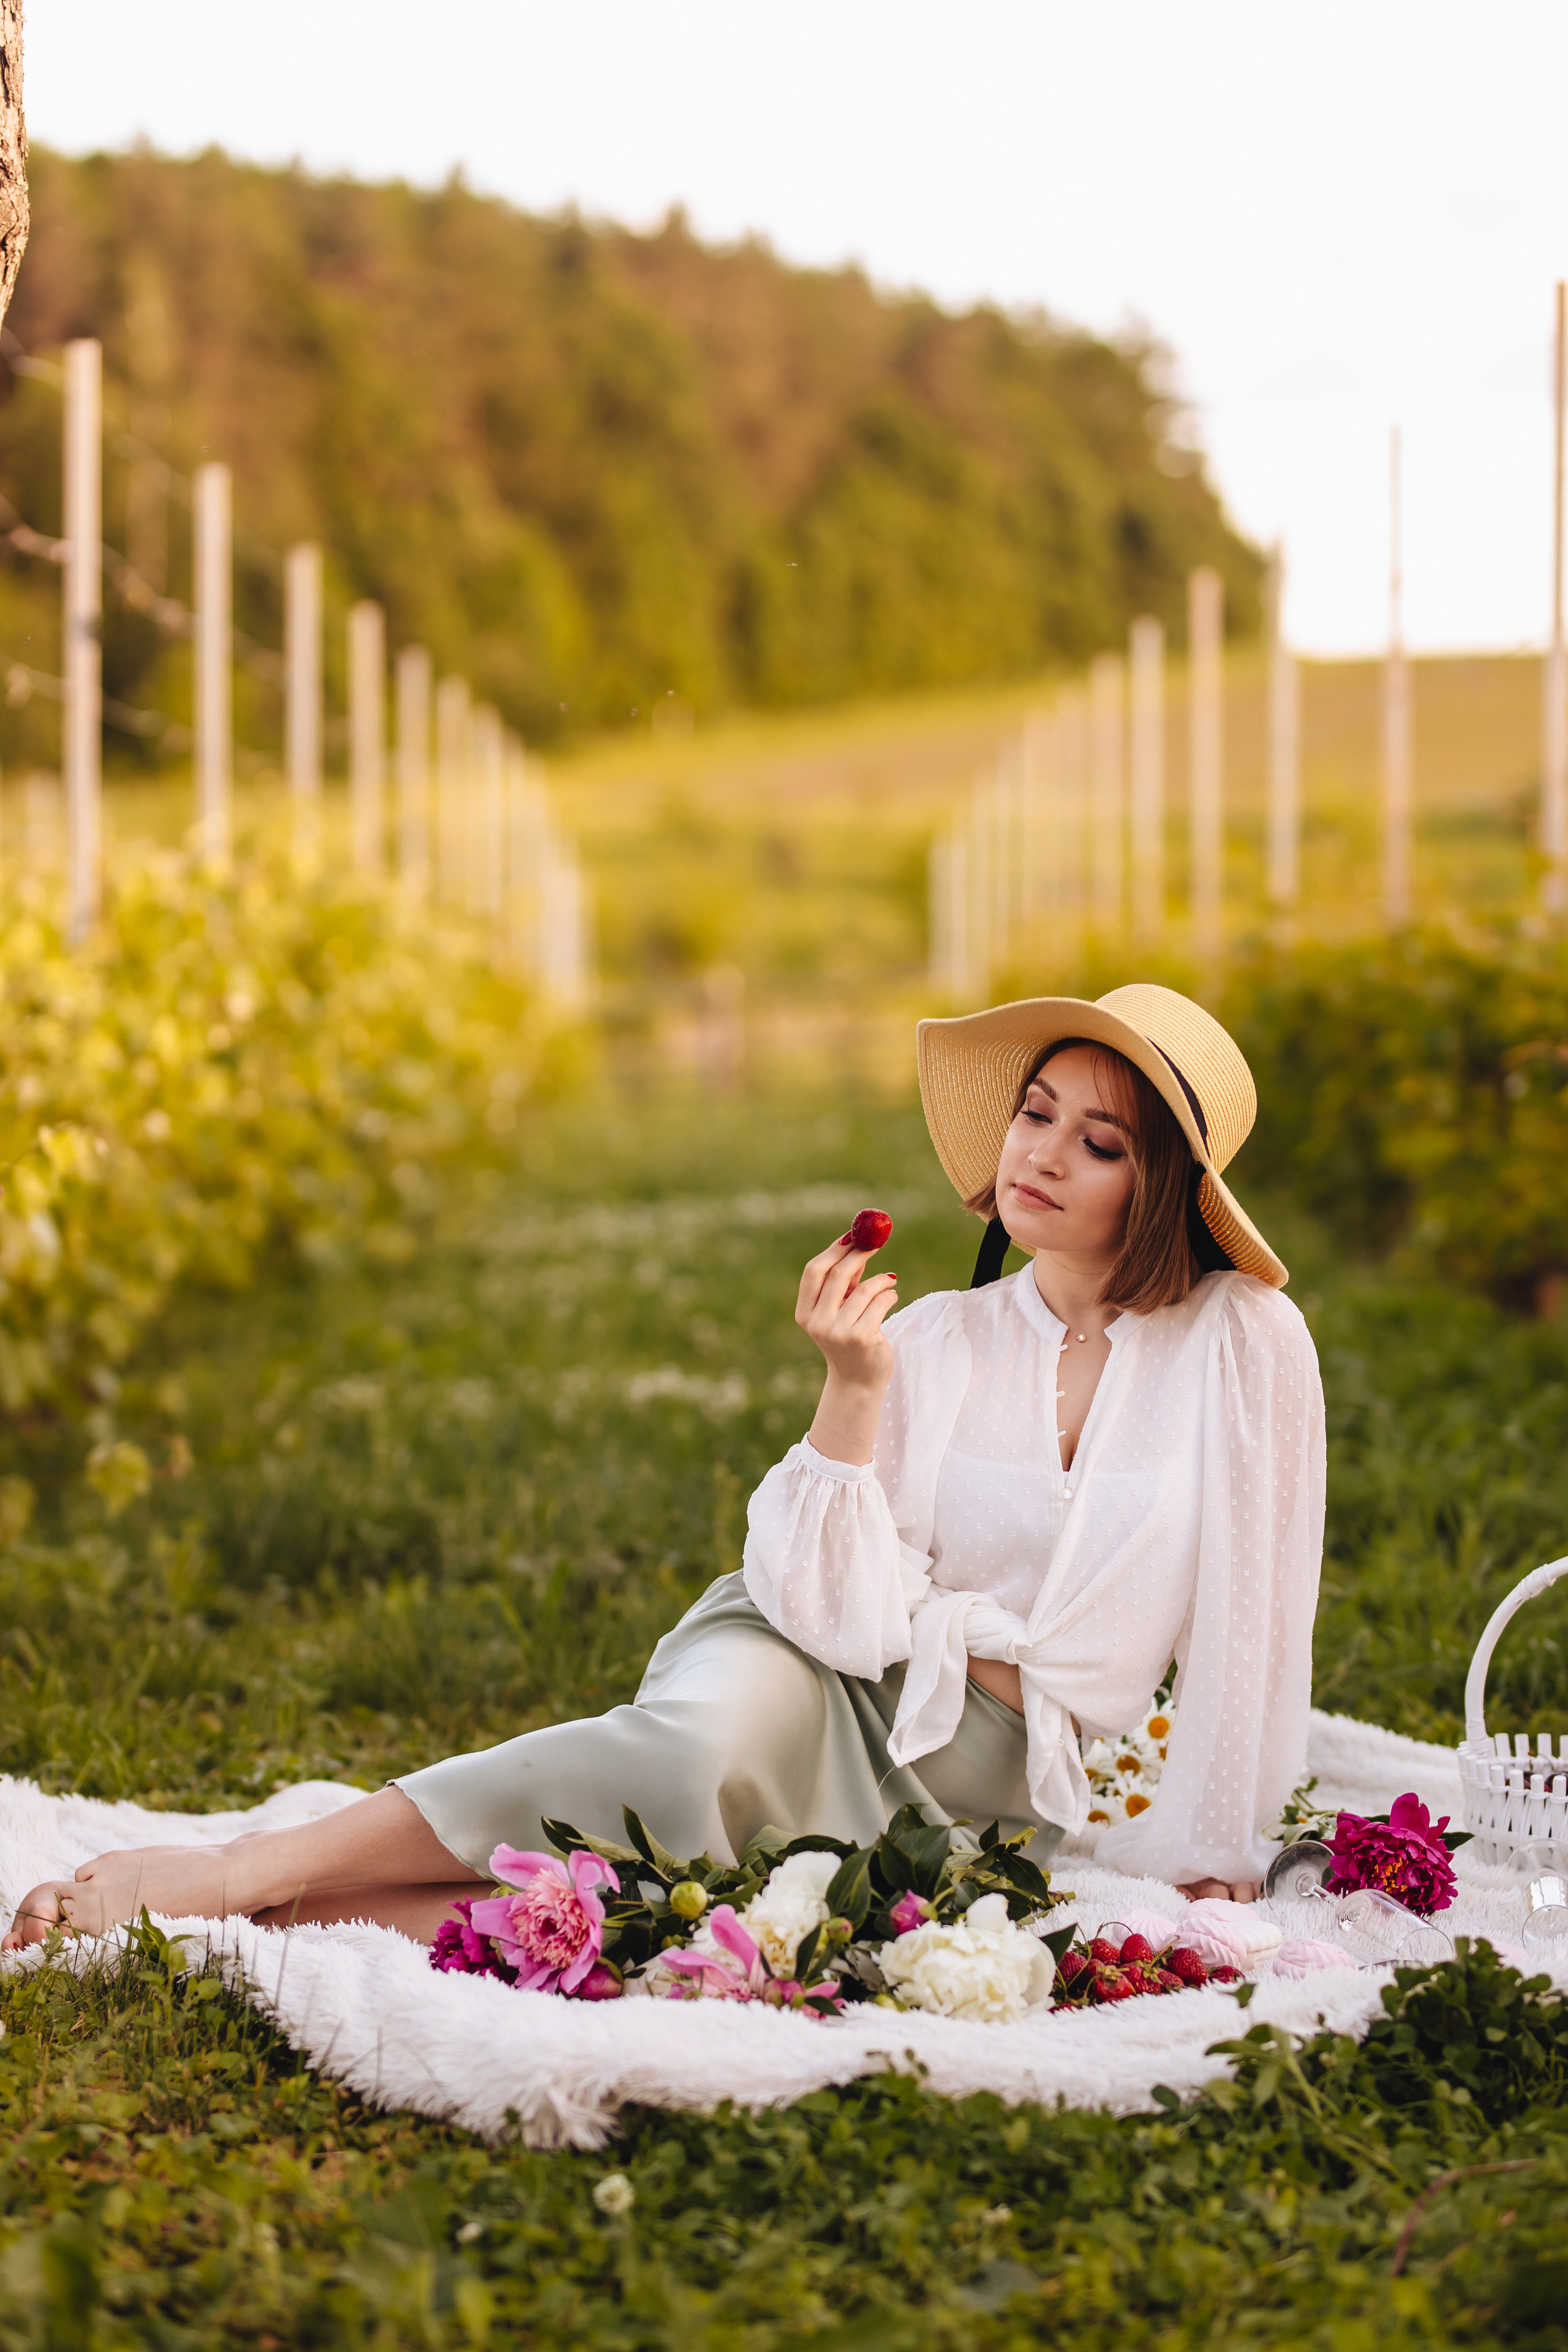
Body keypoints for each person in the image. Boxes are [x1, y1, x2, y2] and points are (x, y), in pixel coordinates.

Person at [3, 984, 1325, 1951]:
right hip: (815, 1658)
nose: (1037, 1153)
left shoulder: (1242, 1347)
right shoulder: (934, 1339)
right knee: (696, 1755)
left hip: (978, 1781)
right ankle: (243, 1871)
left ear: (1161, 1187)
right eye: (1035, 1113)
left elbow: (1257, 1616)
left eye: (1097, 1142)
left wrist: (1213, 1847)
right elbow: (834, 1613)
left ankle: (291, 1907)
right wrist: (849, 1392)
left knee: (688, 1913)